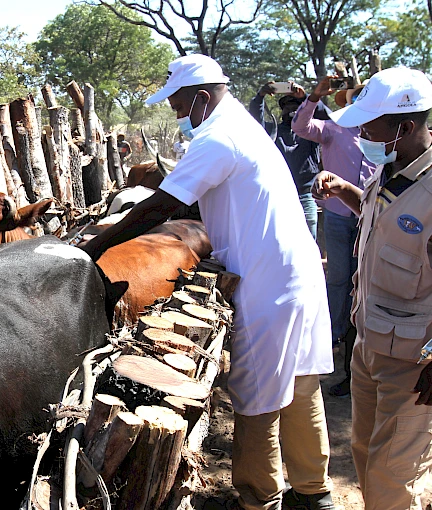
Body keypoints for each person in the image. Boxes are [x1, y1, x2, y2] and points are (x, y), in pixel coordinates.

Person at [81, 54, 335, 510]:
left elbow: (162, 207)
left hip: (266, 280)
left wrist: (93, 248)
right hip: (296, 272)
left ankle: (260, 499)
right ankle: (315, 493)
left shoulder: (219, 137)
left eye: (179, 103)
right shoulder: (242, 126)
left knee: (257, 400)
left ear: (201, 97)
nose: (177, 114)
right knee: (300, 387)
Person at [313, 66, 432, 510]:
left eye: (369, 126)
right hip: (369, 346)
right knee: (365, 457)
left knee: (390, 481)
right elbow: (386, 227)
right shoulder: (390, 171)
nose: (361, 133)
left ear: (403, 128)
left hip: (415, 364)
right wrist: (346, 191)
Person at [293, 76, 377, 397]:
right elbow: (301, 127)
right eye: (356, 98)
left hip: (371, 220)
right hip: (341, 218)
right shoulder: (332, 129)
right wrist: (314, 96)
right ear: (347, 101)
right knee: (340, 278)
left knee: (364, 281)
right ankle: (333, 337)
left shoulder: (379, 136)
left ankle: (356, 343)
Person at [250, 83, 322, 238]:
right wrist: (260, 96)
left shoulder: (313, 131)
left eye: (296, 106)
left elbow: (323, 114)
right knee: (280, 239)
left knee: (309, 239)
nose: (291, 110)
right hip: (279, 195)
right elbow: (256, 120)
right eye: (287, 107)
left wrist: (305, 98)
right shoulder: (272, 131)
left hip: (306, 194)